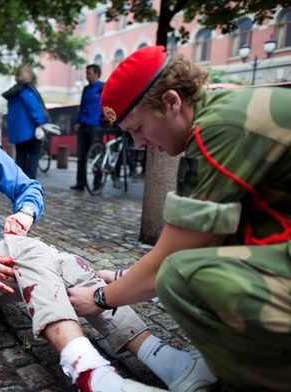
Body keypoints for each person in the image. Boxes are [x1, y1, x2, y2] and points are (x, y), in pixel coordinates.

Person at [0, 85, 218, 392]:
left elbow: (29, 188)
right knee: (28, 250)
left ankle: (165, 359)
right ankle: (92, 374)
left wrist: (25, 212)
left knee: (67, 266)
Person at [67, 45, 291, 391]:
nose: (138, 143)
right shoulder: (216, 110)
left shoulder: (217, 129)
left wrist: (99, 298)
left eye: (138, 127)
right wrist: (125, 277)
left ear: (171, 102)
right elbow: (209, 233)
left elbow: (172, 259)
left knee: (180, 277)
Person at [2, 64, 50, 180]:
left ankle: (20, 183)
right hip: (30, 131)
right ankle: (30, 186)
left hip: (18, 134)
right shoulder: (26, 91)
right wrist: (42, 124)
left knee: (21, 157)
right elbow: (35, 109)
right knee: (33, 157)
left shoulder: (14, 93)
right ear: (27, 75)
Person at [71, 64, 106, 191]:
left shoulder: (102, 88)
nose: (87, 76)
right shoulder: (86, 89)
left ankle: (97, 183)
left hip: (96, 126)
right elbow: (81, 106)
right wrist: (78, 121)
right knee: (81, 156)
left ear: (96, 73)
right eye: (86, 73)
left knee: (97, 155)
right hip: (83, 125)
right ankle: (80, 183)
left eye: (89, 73)